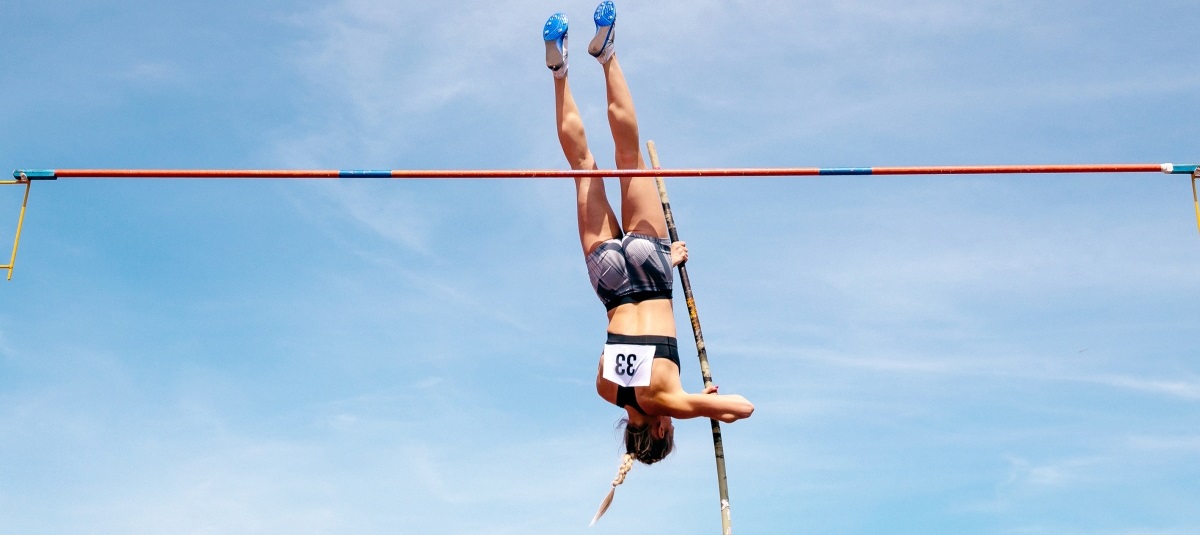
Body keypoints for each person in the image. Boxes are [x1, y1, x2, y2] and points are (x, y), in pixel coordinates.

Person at [543, 1, 754, 523]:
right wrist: (689, 398)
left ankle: (608, 53)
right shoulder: (606, 388)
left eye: (669, 429)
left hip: (652, 273)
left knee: (628, 157)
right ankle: (559, 69)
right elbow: (627, 352)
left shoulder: (667, 399)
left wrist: (705, 403)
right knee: (583, 166)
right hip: (611, 278)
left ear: (659, 430)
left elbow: (744, 408)